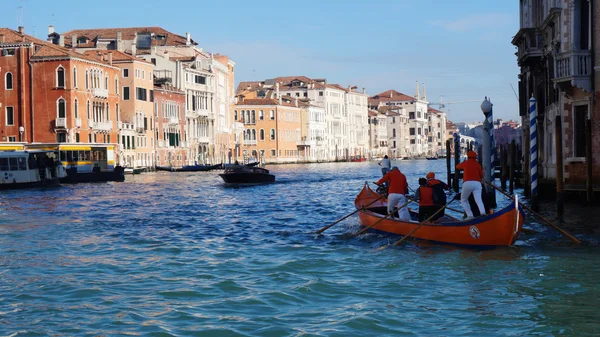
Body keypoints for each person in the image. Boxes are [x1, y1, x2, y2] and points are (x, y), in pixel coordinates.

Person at [456, 150, 485, 219]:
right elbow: (482, 175)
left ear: (468, 156)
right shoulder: (478, 164)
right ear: (475, 157)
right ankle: (483, 213)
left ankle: (470, 215)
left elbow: (457, 167)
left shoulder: (465, 163)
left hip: (467, 183)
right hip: (477, 183)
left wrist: (464, 162)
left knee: (463, 200)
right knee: (478, 200)